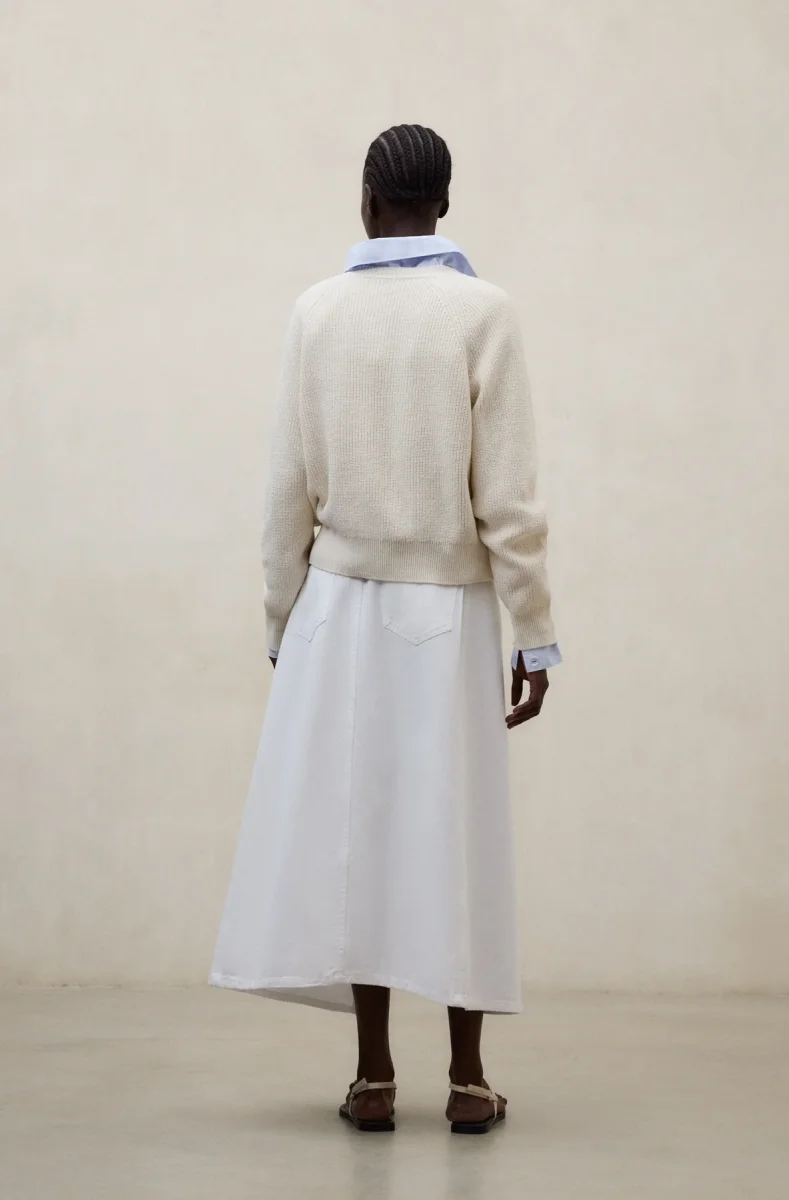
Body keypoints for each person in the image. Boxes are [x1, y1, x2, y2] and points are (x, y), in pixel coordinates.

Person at [210, 124, 560, 1135]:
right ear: (443, 204)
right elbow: (510, 502)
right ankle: (467, 1080)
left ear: (365, 202)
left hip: (336, 607)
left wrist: (281, 620)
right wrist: (534, 632)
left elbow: (285, 491)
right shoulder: (483, 314)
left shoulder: (316, 312)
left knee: (357, 838)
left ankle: (372, 1078)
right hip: (446, 611)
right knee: (453, 836)